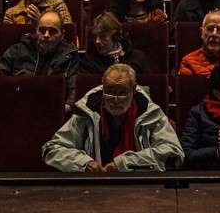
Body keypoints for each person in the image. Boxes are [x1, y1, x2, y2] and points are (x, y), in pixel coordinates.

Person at [42, 63, 183, 172]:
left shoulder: (150, 113)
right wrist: (83, 163)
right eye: (109, 92)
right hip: (95, 185)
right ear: (102, 88)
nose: (115, 99)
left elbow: (173, 154)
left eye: (122, 93)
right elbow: (52, 149)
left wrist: (123, 164)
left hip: (139, 184)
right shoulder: (86, 112)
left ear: (133, 90)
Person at [65, 13, 150, 78]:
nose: (97, 41)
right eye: (95, 37)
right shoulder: (88, 63)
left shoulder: (136, 58)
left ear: (115, 36)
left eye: (102, 36)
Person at [0, 11, 77, 76]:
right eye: (42, 30)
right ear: (36, 31)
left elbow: (73, 91)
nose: (46, 35)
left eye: (53, 31)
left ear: (62, 35)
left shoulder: (70, 57)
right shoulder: (17, 51)